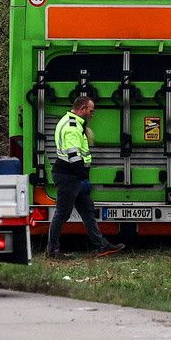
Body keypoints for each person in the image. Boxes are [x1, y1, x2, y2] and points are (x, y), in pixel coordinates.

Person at [46, 95, 124, 258]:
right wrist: (83, 177)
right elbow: (74, 158)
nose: (92, 113)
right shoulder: (72, 127)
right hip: (69, 175)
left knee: (87, 210)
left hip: (72, 176)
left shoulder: (70, 121)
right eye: (91, 110)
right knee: (62, 213)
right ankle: (52, 250)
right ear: (82, 109)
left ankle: (101, 245)